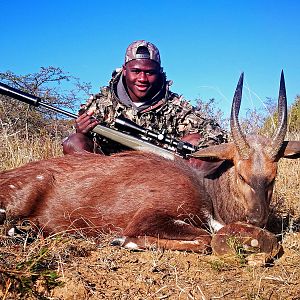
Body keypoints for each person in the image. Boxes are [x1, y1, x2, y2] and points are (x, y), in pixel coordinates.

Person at [63, 40, 227, 158]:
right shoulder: (99, 105)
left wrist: (179, 152)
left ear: (160, 72)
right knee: (74, 142)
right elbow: (84, 142)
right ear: (125, 70)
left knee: (195, 141)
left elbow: (216, 134)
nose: (142, 78)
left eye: (150, 72)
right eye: (136, 71)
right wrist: (81, 130)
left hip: (162, 174)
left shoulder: (176, 107)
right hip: (109, 174)